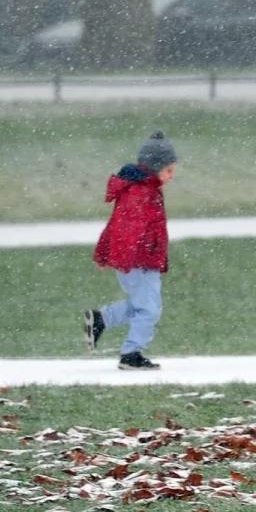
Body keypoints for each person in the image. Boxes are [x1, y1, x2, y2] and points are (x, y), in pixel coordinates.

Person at [83, 131, 178, 370]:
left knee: (141, 305)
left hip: (143, 260)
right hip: (139, 261)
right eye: (168, 171)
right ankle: (131, 353)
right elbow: (127, 229)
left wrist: (106, 252)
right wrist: (131, 257)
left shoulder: (143, 189)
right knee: (149, 310)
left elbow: (116, 225)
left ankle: (101, 319)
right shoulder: (141, 192)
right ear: (154, 168)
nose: (171, 176)